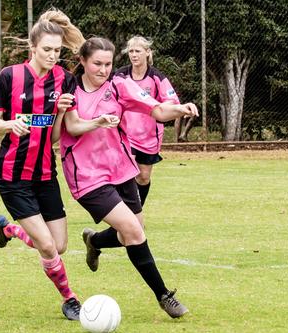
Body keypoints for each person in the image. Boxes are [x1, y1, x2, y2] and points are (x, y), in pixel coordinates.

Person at [60, 37, 199, 318]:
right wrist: (98, 122)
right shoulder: (69, 89)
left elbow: (158, 109)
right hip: (86, 176)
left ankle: (95, 242)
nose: (103, 70)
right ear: (83, 62)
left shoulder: (120, 86)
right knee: (133, 232)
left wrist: (181, 109)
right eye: (97, 64)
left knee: (132, 234)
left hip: (121, 169)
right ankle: (164, 296)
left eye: (108, 64)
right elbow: (72, 128)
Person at [0, 9, 86, 320]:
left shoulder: (65, 80)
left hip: (45, 174)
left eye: (57, 50)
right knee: (46, 246)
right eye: (47, 49)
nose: (53, 55)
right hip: (12, 175)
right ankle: (70, 299)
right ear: (32, 48)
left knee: (60, 245)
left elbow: (55, 137)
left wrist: (57, 112)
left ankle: (11, 230)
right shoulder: (9, 76)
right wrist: (10, 125)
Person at [114, 36, 181, 205]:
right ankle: (126, 217)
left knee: (143, 177)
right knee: (125, 174)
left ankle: (137, 211)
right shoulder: (120, 75)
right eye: (131, 51)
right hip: (124, 134)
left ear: (147, 52)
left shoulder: (157, 77)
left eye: (138, 51)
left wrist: (156, 107)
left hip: (148, 136)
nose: (134, 55)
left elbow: (172, 102)